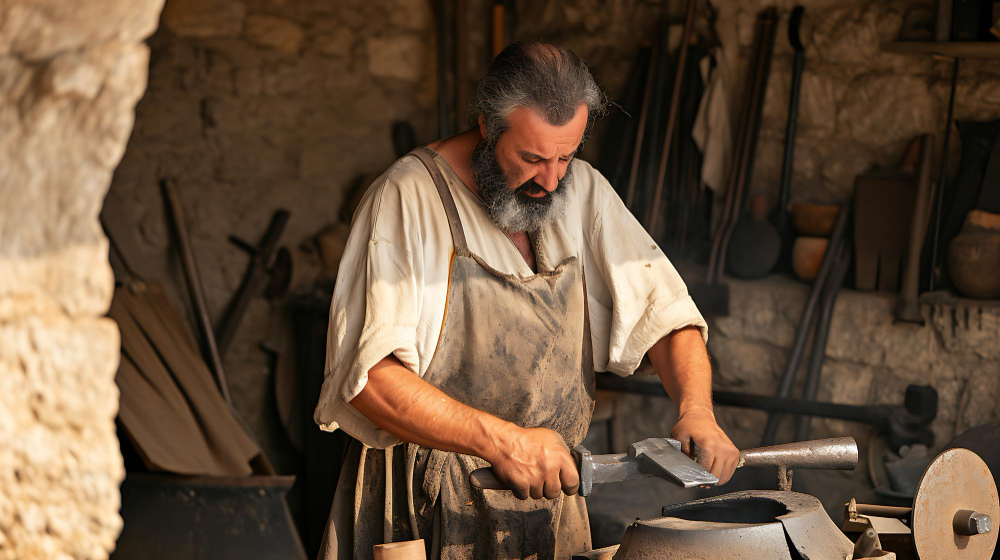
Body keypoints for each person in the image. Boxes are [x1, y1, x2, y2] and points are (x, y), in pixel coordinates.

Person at [314, 40, 739, 560]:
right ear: (487, 126)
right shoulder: (407, 198)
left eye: (566, 155)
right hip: (421, 514)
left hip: (551, 501)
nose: (552, 178)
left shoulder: (580, 191)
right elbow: (369, 380)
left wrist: (696, 410)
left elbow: (667, 314)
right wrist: (503, 442)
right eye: (532, 157)